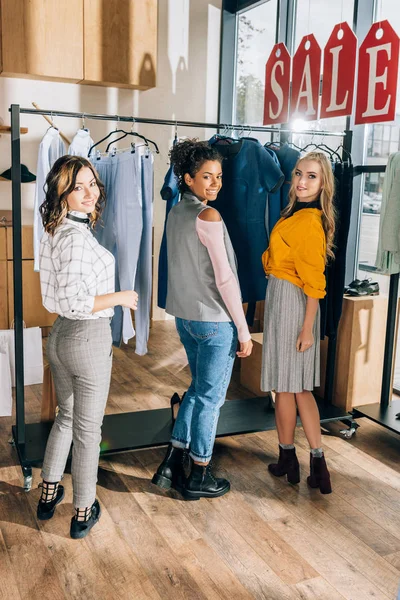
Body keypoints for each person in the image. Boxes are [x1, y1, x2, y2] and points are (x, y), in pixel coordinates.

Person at [37, 155, 138, 538]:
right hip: (86, 337)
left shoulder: (58, 230)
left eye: (92, 183)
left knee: (67, 416)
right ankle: (83, 510)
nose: (89, 192)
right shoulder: (76, 239)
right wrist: (120, 297)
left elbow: (60, 298)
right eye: (77, 186)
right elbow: (79, 300)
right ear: (62, 193)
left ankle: (48, 492)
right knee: (88, 430)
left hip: (60, 336)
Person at [152, 139, 253, 500]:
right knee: (211, 399)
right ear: (188, 178)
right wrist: (243, 329)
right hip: (215, 323)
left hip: (186, 320)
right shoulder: (208, 216)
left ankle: (170, 461)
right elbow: (225, 279)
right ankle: (199, 473)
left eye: (219, 176)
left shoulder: (176, 212)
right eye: (206, 176)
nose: (215, 183)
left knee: (197, 390)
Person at [261, 152, 335, 494]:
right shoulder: (296, 214)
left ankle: (306, 461)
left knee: (293, 386)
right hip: (283, 300)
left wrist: (307, 329)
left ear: (324, 185)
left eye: (312, 177)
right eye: (299, 174)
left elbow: (314, 283)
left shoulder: (307, 222)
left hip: (293, 303)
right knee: (291, 387)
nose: (302, 182)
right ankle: (300, 462)